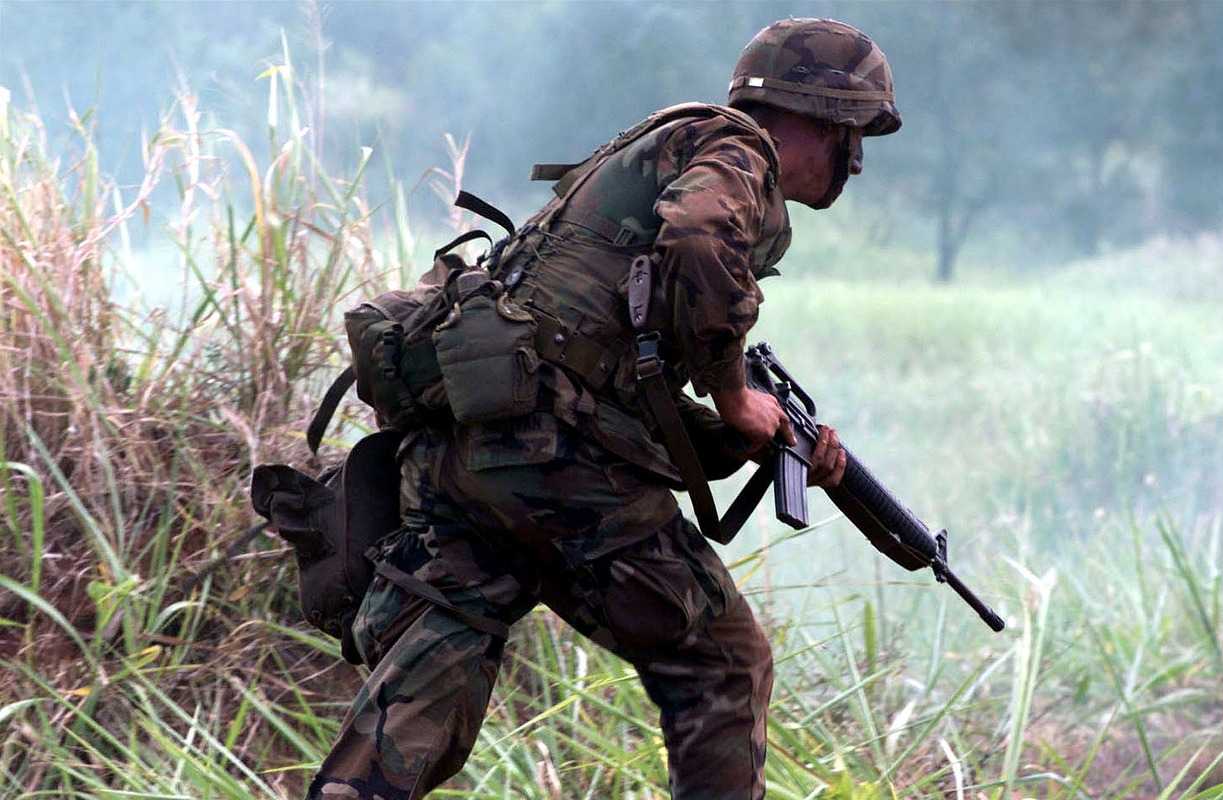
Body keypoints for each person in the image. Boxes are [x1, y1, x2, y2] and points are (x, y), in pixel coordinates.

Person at [307, 17, 901, 800]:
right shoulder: (737, 149)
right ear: (826, 120)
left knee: (427, 685)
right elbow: (699, 239)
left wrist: (747, 435)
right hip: (553, 458)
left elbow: (607, 369)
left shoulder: (666, 151)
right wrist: (733, 397)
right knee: (724, 664)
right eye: (855, 136)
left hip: (471, 449)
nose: (854, 160)